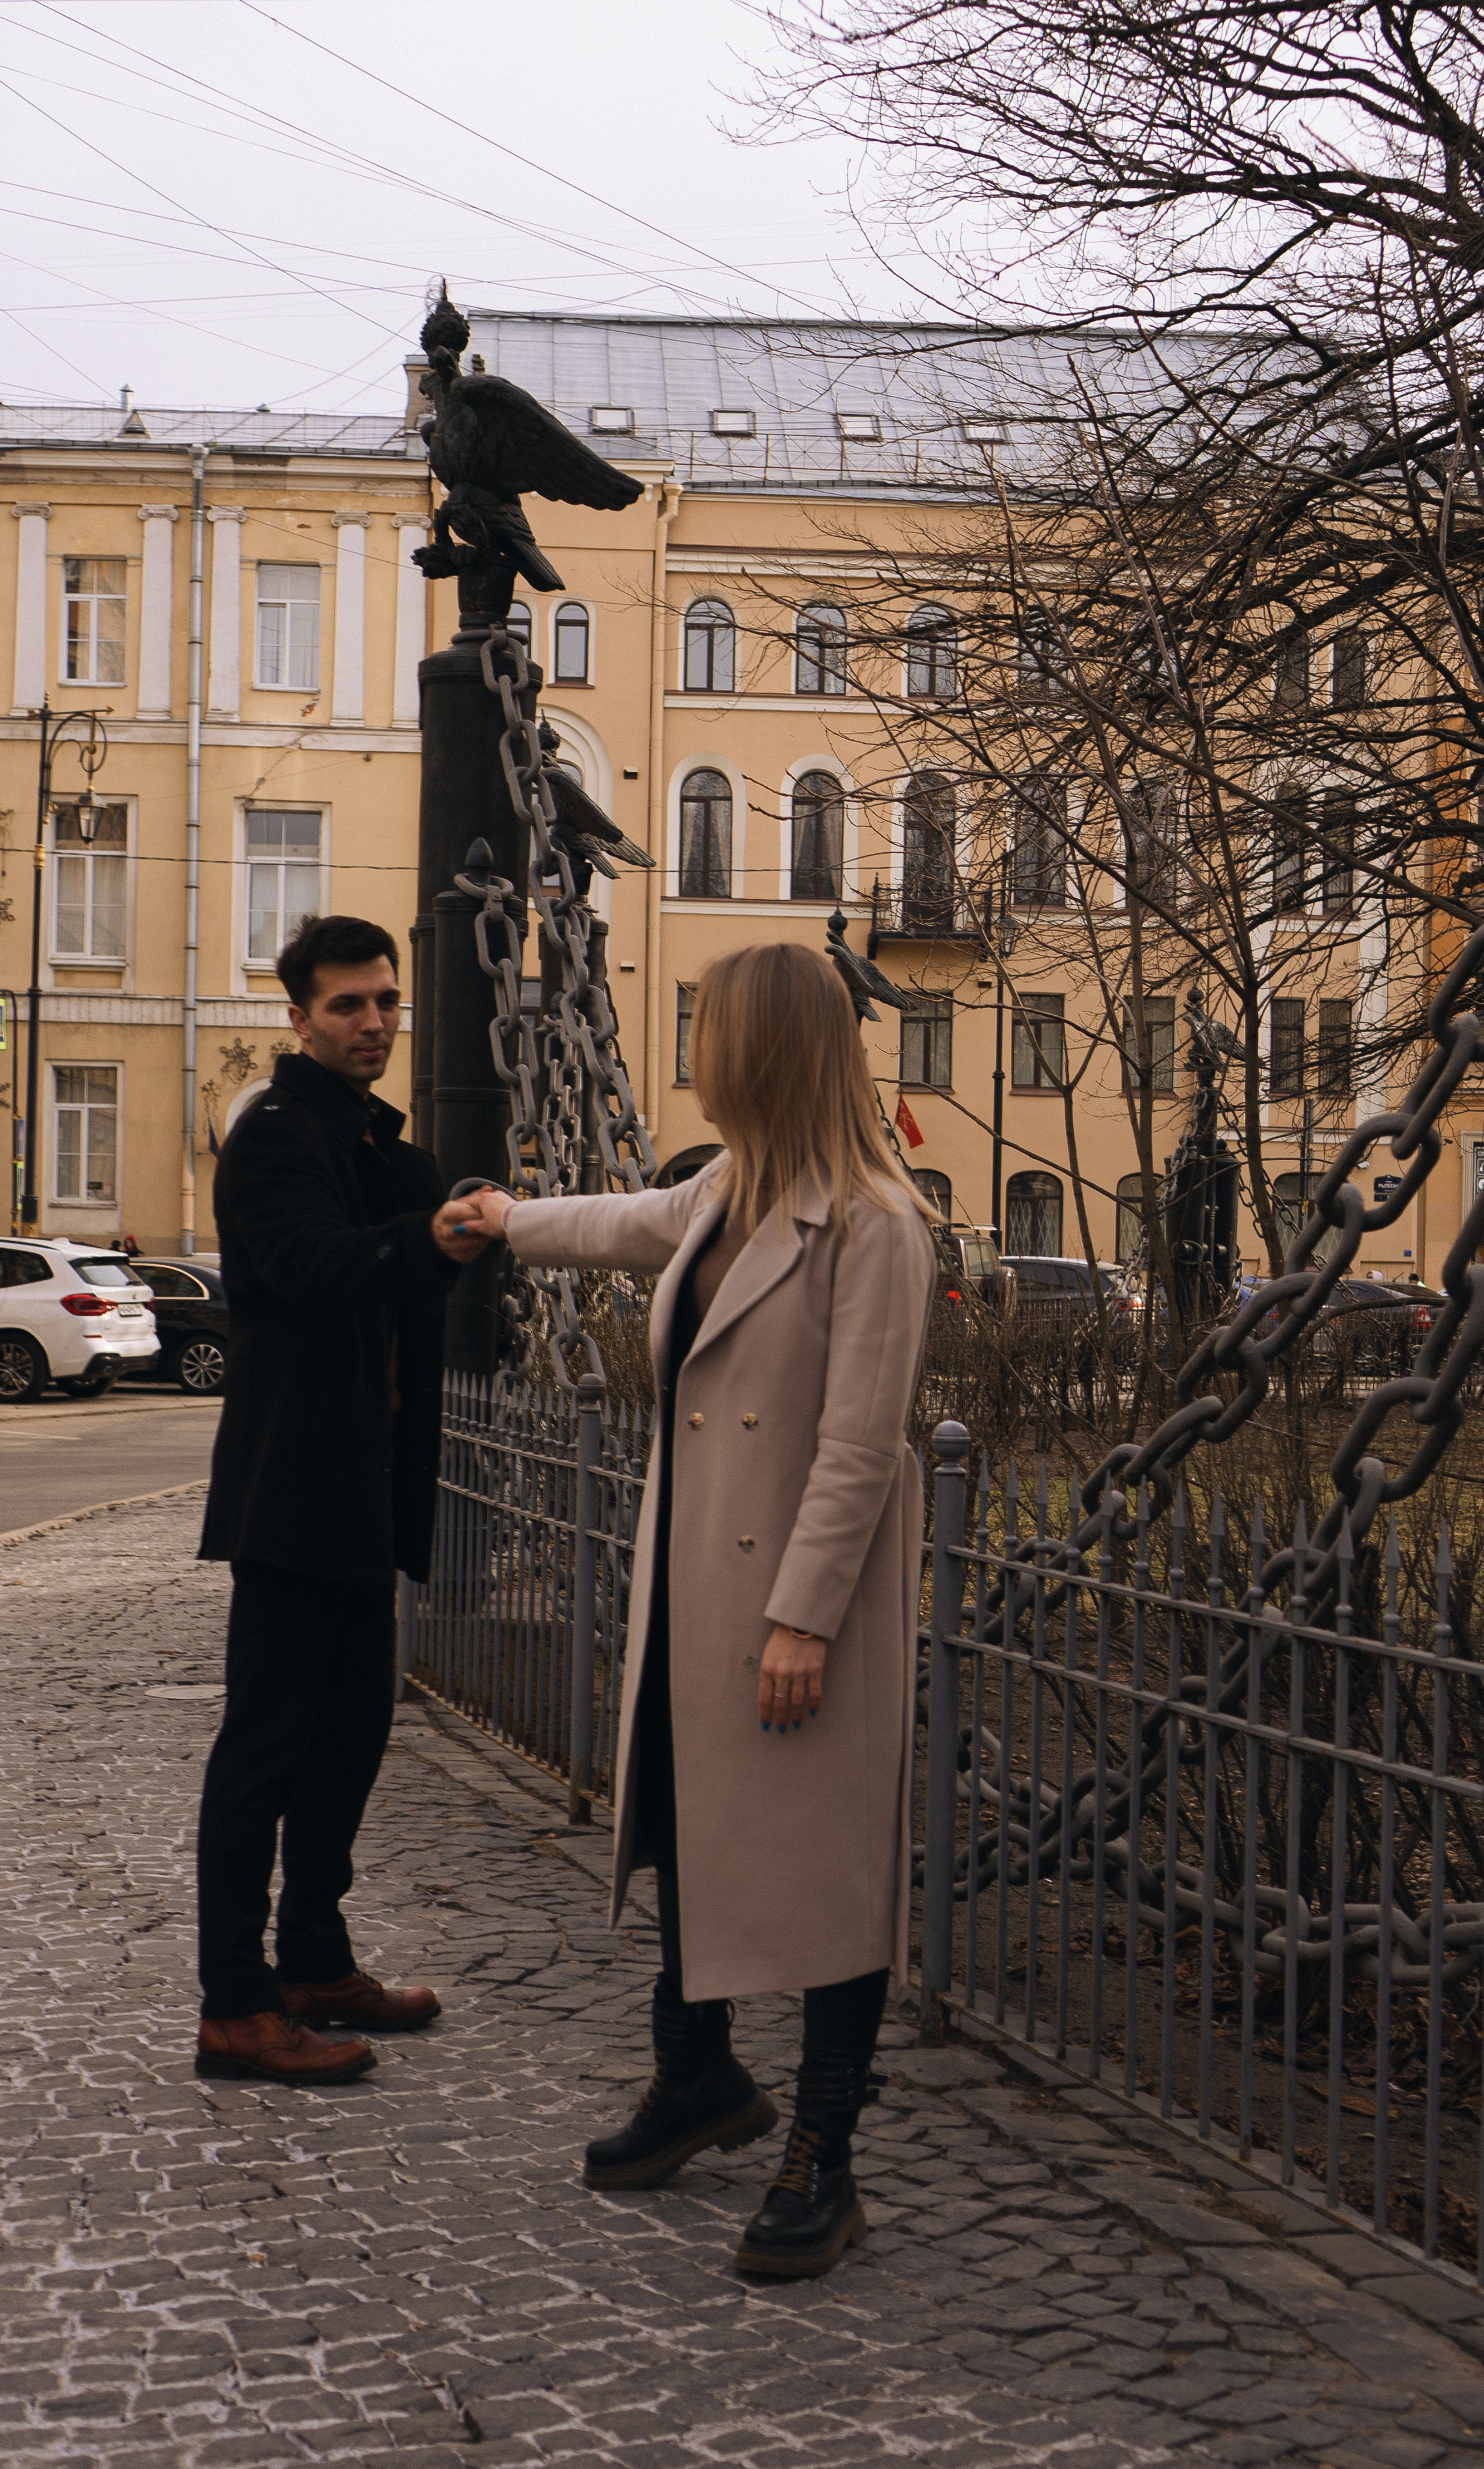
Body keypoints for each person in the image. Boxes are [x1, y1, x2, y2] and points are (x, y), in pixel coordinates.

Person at [458, 943, 937, 2279]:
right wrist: (506, 1219)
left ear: (761, 1049)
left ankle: (824, 2154)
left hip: (799, 1604)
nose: (696, 1053)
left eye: (709, 1029)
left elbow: (859, 1446)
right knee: (681, 1822)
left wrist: (804, 1619)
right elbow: (624, 1224)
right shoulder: (730, 1188)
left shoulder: (875, 1225)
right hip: (694, 1584)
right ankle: (697, 2077)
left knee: (832, 1873)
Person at [194, 914, 491, 2086]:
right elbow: (315, 1268)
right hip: (291, 1494)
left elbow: (414, 1277)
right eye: (347, 1005)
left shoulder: (384, 1148)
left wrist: (456, 1222)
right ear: (300, 1017)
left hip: (367, 1495)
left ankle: (314, 1961)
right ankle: (234, 2006)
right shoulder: (274, 1137)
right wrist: (431, 1235)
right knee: (262, 1755)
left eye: (386, 1001)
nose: (374, 1023)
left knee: (353, 1737)